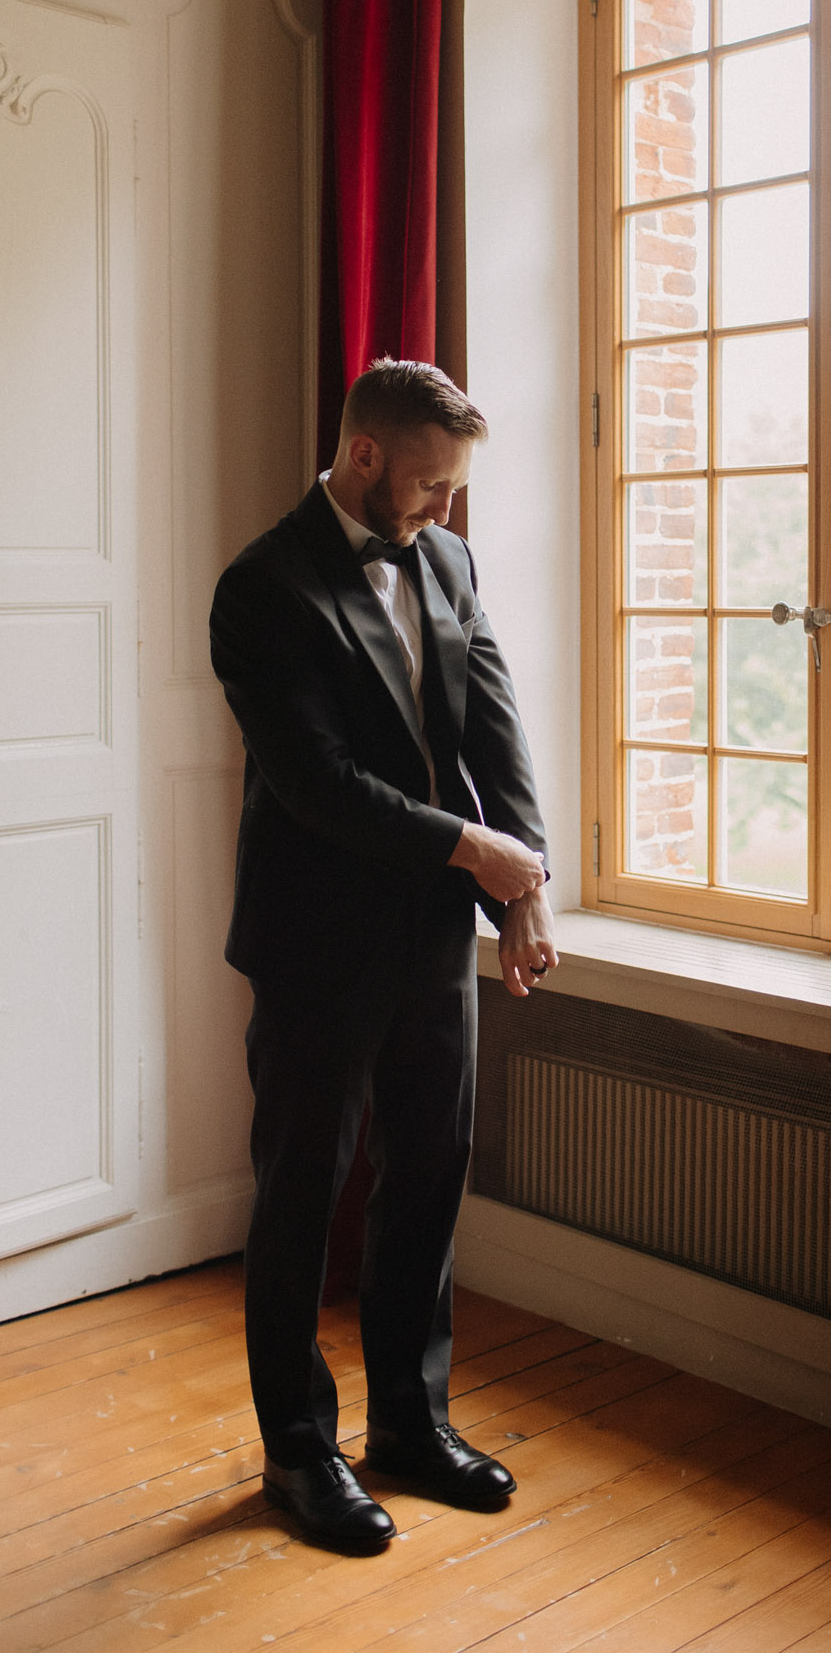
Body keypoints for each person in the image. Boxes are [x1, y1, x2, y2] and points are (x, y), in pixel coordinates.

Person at [209, 355, 557, 1554]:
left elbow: (496, 726)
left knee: (430, 1172)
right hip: (316, 938)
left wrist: (527, 884)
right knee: (306, 1189)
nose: (445, 512)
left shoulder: (450, 559)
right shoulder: (261, 586)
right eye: (431, 484)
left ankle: (409, 1421)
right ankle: (298, 1450)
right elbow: (318, 787)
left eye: (455, 490)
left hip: (430, 934)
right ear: (364, 454)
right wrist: (477, 854)